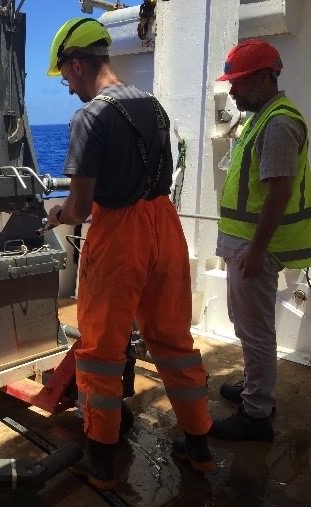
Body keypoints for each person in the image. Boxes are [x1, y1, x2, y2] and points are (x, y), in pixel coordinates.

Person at [45, 17, 214, 490]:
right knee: (173, 340)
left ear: (77, 65)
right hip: (164, 225)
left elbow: (80, 208)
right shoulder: (155, 107)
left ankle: (100, 457)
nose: (67, 86)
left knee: (101, 350)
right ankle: (199, 445)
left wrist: (58, 213)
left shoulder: (91, 116)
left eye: (64, 76)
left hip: (119, 233)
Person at [210, 39, 311, 442]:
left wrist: (255, 251)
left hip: (256, 248)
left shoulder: (279, 123)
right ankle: (257, 389)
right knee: (246, 323)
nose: (231, 91)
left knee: (255, 330)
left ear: (264, 78)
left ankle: (256, 414)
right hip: (244, 243)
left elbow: (279, 193)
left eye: (238, 82)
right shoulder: (261, 117)